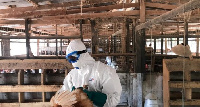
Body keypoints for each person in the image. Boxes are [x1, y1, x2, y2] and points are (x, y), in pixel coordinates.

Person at [52, 39, 122, 107]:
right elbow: (63, 94)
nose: (71, 62)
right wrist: (69, 96)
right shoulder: (72, 75)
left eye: (73, 58)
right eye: (69, 60)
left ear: (83, 54)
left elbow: (114, 100)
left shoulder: (104, 71)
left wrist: (91, 96)